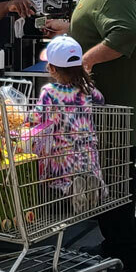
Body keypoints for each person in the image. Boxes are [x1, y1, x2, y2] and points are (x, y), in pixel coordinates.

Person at [46, 0, 136, 272]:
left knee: (114, 183)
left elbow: (126, 31)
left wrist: (84, 62)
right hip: (116, 110)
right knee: (118, 180)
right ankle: (120, 246)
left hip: (113, 112)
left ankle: (124, 256)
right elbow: (108, 26)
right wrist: (72, 30)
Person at [32, 35, 106, 207]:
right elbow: (101, 100)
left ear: (52, 68)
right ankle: (94, 185)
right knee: (89, 171)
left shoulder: (49, 91)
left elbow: (37, 116)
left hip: (63, 153)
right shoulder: (87, 88)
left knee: (61, 181)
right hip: (88, 152)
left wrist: (24, 117)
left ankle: (71, 190)